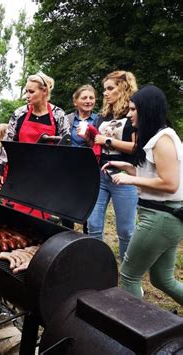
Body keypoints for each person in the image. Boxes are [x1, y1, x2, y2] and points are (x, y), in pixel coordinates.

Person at [103, 85, 183, 304]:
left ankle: (132, 331)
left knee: (129, 276)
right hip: (163, 217)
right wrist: (127, 167)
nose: (129, 115)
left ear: (147, 110)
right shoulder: (157, 137)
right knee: (163, 279)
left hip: (161, 218)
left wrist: (131, 179)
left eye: (132, 110)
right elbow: (155, 174)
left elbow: (170, 184)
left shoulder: (164, 140)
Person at [79, 71, 138, 259]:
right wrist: (89, 138)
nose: (105, 93)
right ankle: (96, 264)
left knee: (126, 230)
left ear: (123, 88)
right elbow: (97, 144)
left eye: (110, 89)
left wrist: (107, 140)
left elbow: (136, 148)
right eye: (104, 89)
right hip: (100, 174)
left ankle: (129, 272)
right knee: (93, 224)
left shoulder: (134, 113)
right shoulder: (103, 115)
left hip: (124, 176)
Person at [0, 72, 70, 217]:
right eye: (26, 91)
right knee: (14, 215)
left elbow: (66, 146)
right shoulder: (19, 113)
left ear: (44, 91)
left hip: (44, 175)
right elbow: (8, 144)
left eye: (31, 91)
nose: (27, 95)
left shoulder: (58, 115)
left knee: (38, 216)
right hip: (18, 173)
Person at [61, 85, 99, 231]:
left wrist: (89, 138)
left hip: (89, 169)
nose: (88, 101)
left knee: (87, 204)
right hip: (68, 168)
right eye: (84, 98)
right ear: (75, 101)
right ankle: (67, 233)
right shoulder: (67, 119)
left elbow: (99, 146)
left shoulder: (99, 119)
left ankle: (86, 236)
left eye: (91, 98)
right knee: (65, 203)